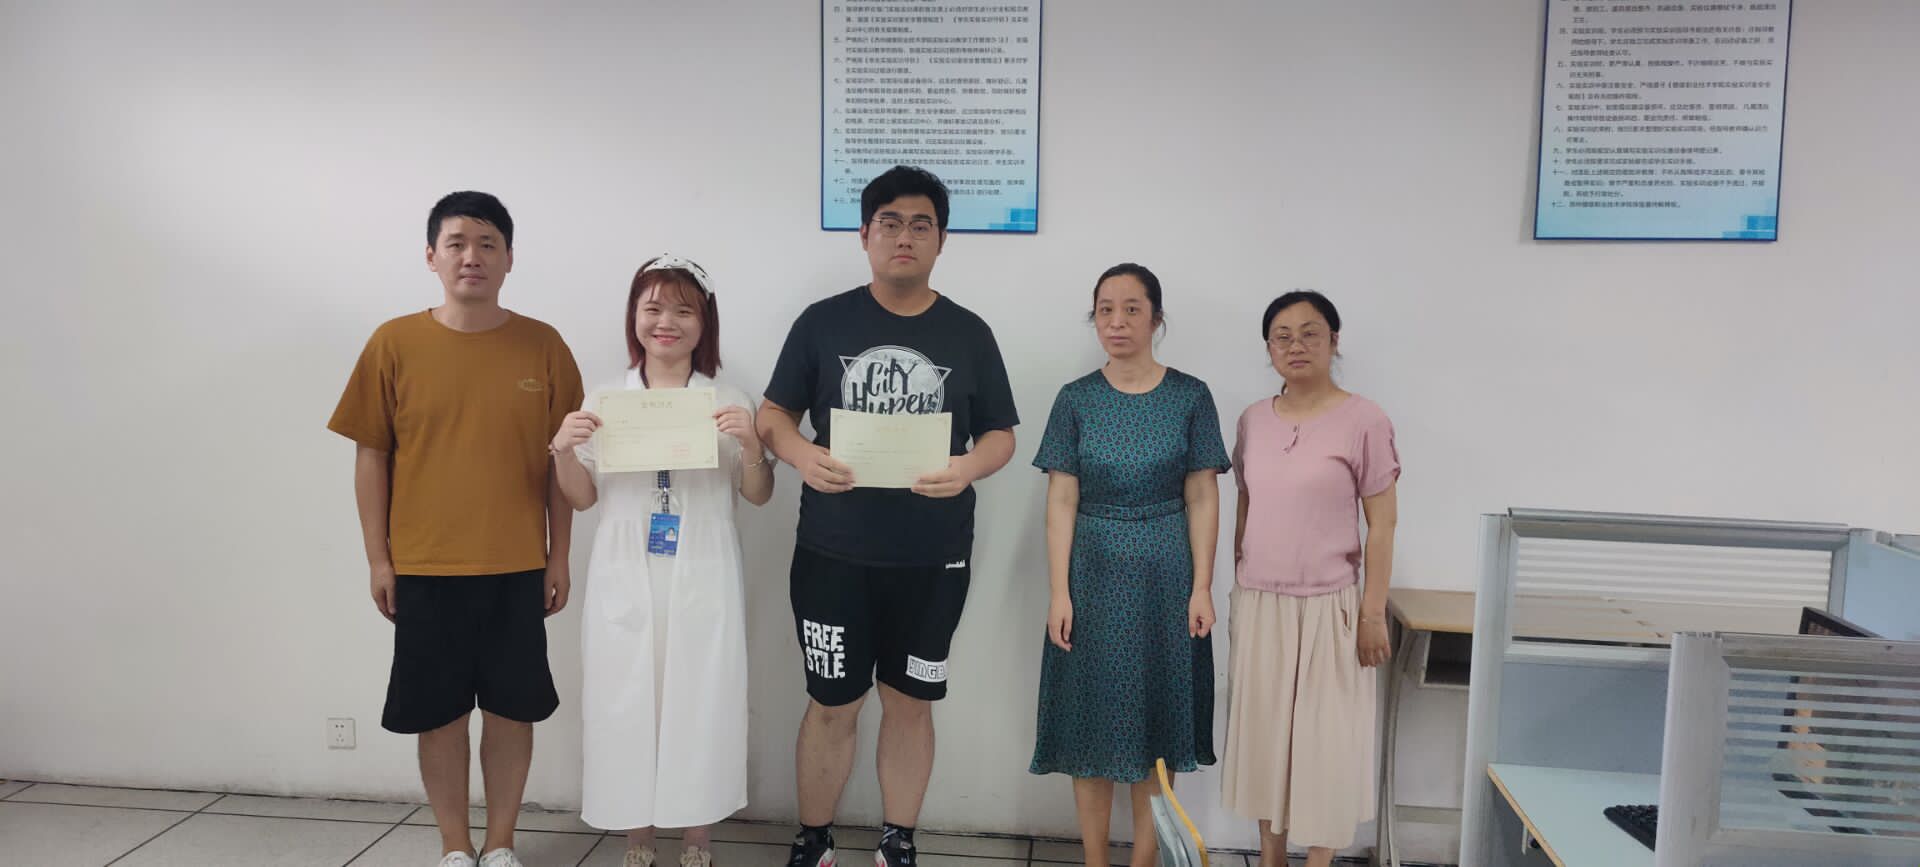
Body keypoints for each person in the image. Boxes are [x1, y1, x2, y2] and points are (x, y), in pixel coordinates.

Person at [757, 165, 1020, 867]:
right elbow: (773, 414)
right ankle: (814, 840)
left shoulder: (968, 332)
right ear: (865, 235)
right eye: (891, 223)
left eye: (921, 224)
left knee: (909, 701)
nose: (905, 236)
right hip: (832, 553)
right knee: (832, 703)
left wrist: (967, 467)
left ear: (941, 240)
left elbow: (1000, 434)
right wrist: (800, 454)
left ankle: (897, 840)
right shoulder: (822, 322)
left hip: (933, 558)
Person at [327, 191, 583, 867]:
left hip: (517, 565)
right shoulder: (393, 343)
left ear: (509, 258)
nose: (472, 256)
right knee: (438, 715)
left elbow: (563, 463)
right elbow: (371, 457)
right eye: (458, 243)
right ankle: (454, 847)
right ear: (431, 256)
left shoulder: (544, 346)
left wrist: (559, 556)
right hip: (425, 566)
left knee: (512, 712)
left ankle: (499, 845)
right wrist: (378, 559)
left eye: (488, 244)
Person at [551, 256, 774, 867]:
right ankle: (637, 832)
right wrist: (563, 450)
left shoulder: (727, 398)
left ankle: (697, 833)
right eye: (652, 308)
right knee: (624, 693)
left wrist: (752, 444)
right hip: (625, 561)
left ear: (705, 323)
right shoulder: (606, 399)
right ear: (634, 317)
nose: (666, 322)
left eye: (683, 310)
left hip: (703, 560)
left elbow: (757, 495)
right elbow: (582, 497)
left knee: (702, 693)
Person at [1028, 264, 1230, 867]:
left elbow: (1202, 495)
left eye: (1132, 309)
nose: (1117, 322)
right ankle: (1095, 860)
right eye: (1105, 310)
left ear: (1156, 319)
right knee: (1088, 723)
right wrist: (1059, 592)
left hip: (1168, 578)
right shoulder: (1075, 399)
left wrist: (1202, 586)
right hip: (1091, 576)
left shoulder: (1191, 396)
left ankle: (1144, 861)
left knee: (1158, 728)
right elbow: (1061, 499)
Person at [1221, 291, 1400, 867]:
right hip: (1261, 600)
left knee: (1326, 746)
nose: (1295, 345)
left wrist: (1372, 613)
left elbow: (1383, 523)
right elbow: (1245, 505)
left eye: (1309, 333)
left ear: (1334, 341)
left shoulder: (1364, 420)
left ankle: (1318, 860)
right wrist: (1237, 583)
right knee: (1265, 739)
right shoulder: (1253, 420)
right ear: (1268, 347)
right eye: (1282, 335)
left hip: (1332, 606)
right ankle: (1270, 857)